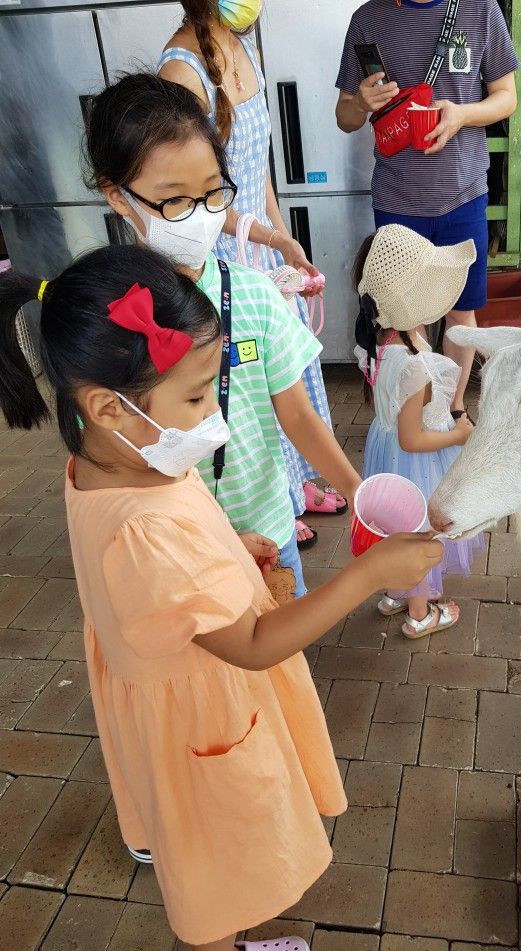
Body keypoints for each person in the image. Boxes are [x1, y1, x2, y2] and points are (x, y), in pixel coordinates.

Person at [0, 244, 441, 951]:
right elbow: (254, 643)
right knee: (203, 855)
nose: (216, 417)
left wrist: (228, 550)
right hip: (195, 709)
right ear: (110, 407)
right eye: (200, 397)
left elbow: (155, 578)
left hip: (166, 682)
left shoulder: (110, 466)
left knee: (207, 837)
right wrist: (366, 572)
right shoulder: (146, 517)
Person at [84, 73, 361, 601]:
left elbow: (297, 414)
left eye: (213, 193)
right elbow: (107, 460)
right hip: (176, 550)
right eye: (174, 201)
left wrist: (356, 489)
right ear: (118, 196)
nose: (201, 214)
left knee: (281, 654)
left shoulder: (256, 297)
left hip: (270, 531)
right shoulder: (106, 319)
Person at [159, 0, 344, 549]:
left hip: (260, 248)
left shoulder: (242, 44)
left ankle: (297, 483)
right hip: (217, 255)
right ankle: (272, 512)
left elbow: (256, 170)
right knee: (247, 389)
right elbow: (198, 196)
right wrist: (269, 239)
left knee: (284, 376)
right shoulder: (181, 72)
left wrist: (283, 239)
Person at [336, 0, 520, 415]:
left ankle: (451, 410)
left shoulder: (480, 9)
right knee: (405, 318)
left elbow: (506, 97)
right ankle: (418, 414)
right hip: (398, 202)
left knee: (461, 315)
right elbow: (345, 117)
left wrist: (463, 116)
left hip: (464, 195)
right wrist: (362, 102)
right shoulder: (367, 19)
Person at [352, 224, 483, 637]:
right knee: (420, 534)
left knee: (394, 526)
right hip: (415, 460)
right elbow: (414, 438)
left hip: (387, 453)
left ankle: (394, 592)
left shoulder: (381, 339)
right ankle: (420, 612)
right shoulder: (415, 365)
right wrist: (459, 436)